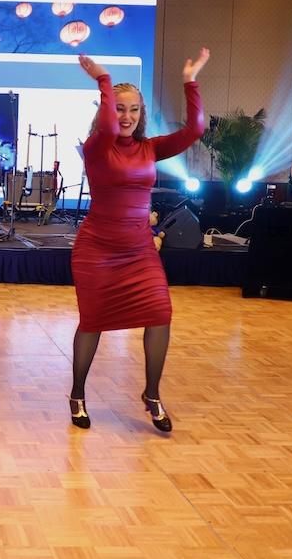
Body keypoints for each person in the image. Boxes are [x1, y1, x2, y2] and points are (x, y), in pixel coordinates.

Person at [69, 49, 209, 433]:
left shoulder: (149, 148)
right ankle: (77, 394)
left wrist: (190, 81)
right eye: (119, 109)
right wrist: (104, 80)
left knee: (160, 313)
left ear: (141, 113)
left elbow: (195, 130)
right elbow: (108, 129)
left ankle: (152, 394)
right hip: (97, 250)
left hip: (138, 251)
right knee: (92, 322)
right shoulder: (97, 146)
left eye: (133, 109)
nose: (126, 116)